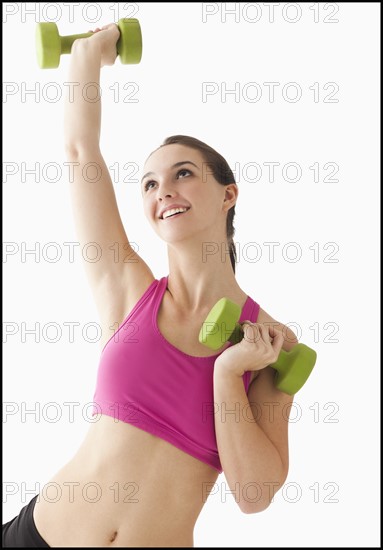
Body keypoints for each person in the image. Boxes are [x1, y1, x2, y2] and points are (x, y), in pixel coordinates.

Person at [3, 24, 299, 548]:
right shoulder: (128, 290)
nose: (164, 191)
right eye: (149, 184)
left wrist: (228, 375)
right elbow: (80, 153)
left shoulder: (270, 346)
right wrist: (90, 54)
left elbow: (254, 493)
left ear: (228, 194)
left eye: (183, 174)